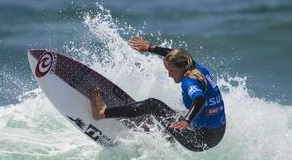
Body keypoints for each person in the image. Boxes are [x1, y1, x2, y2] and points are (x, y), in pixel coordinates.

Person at [90, 37, 226, 152]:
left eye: (171, 70)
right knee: (170, 113)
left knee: (153, 105)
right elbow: (173, 53)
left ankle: (102, 113)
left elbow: (200, 99)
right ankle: (169, 137)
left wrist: (186, 121)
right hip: (217, 131)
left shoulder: (189, 82)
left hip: (199, 140)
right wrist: (149, 48)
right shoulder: (193, 65)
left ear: (181, 67)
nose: (169, 74)